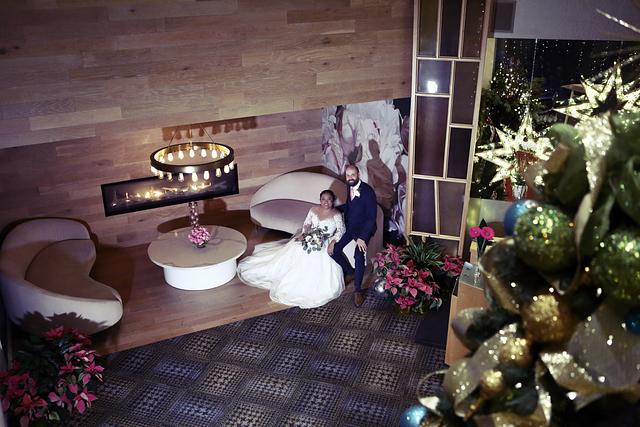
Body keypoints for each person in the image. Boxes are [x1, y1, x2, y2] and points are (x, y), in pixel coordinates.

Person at [237, 190, 345, 309]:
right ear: (320, 200)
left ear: (333, 201)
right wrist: (304, 233)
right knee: (296, 246)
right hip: (310, 236)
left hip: (324, 241)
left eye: (329, 199)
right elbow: (307, 223)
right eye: (323, 199)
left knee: (314, 254)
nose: (326, 202)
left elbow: (341, 230)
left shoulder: (336, 214)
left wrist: (333, 242)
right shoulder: (314, 209)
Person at [329, 165, 377, 307]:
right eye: (348, 175)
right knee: (334, 251)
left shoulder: (368, 192)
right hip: (350, 226)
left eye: (353, 174)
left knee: (358, 255)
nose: (350, 177)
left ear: (359, 174)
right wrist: (333, 209)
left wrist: (362, 237)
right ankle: (351, 272)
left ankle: (358, 291)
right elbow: (350, 207)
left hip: (364, 229)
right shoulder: (349, 186)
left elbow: (371, 218)